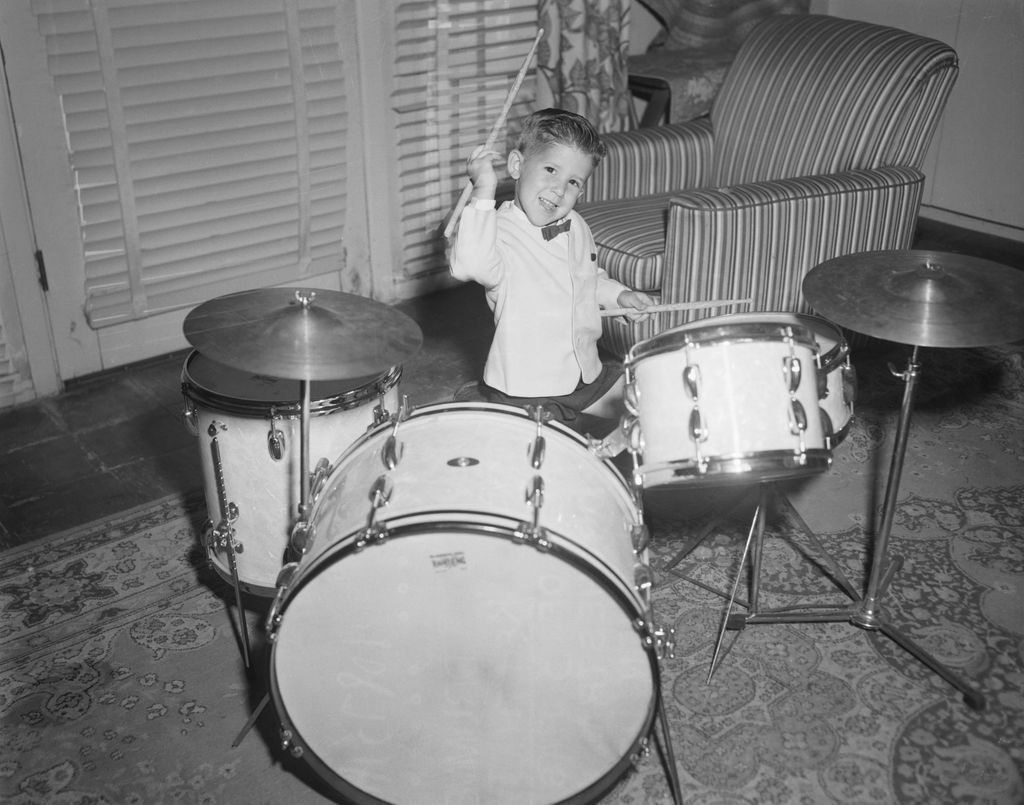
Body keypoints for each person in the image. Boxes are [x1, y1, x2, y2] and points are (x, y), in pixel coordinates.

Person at [447, 107, 653, 437]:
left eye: (572, 181)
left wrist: (620, 295)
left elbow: (588, 276)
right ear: (516, 166)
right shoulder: (496, 230)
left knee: (647, 401)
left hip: (585, 372)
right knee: (538, 462)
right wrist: (483, 192)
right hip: (527, 388)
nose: (559, 189)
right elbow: (469, 264)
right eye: (550, 170)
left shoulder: (575, 225)